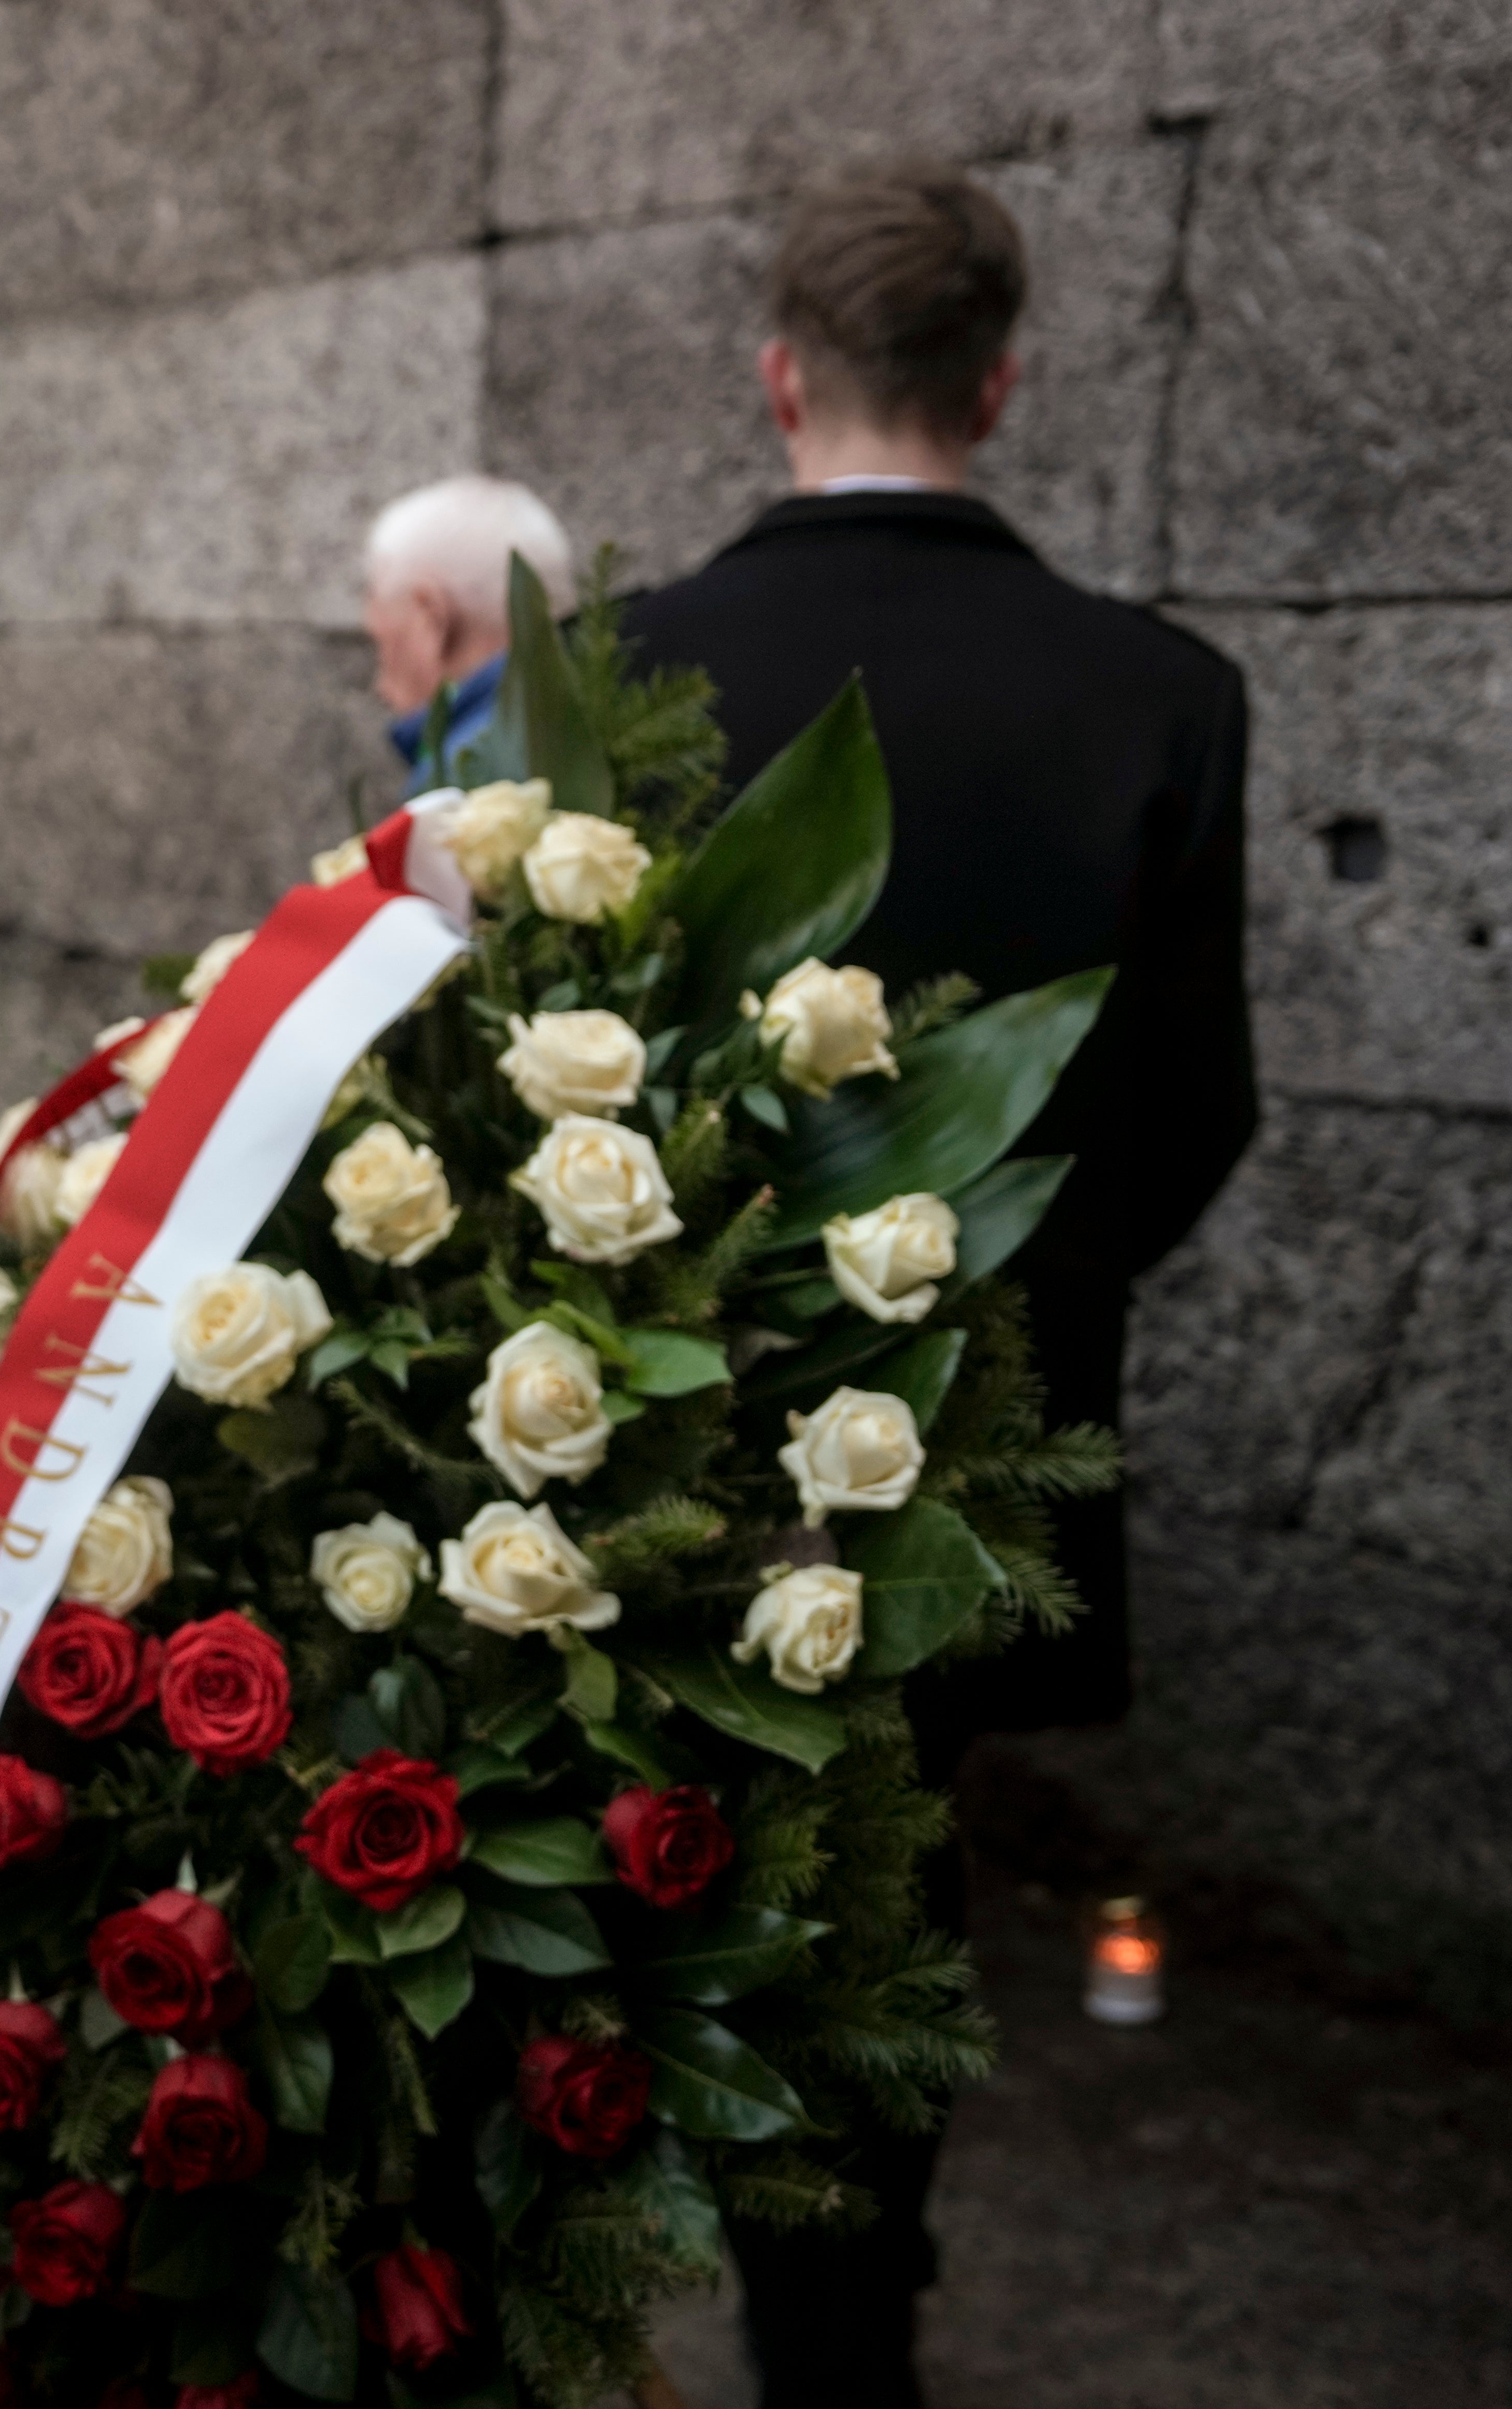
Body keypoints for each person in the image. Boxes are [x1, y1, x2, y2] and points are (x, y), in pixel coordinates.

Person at [624, 162, 1256, 2408]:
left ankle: (682, 2287)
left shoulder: (623, 670)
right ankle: (841, 2325)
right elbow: (1190, 1109)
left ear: (774, 375)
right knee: (885, 1871)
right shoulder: (1158, 693)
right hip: (985, 1409)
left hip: (653, 1408)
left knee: (660, 1836)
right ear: (998, 384)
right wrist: (996, 1302)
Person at [361, 474, 578, 788]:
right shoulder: (623, 723)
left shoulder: (462, 783)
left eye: (381, 647)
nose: (380, 687)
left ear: (432, 618)